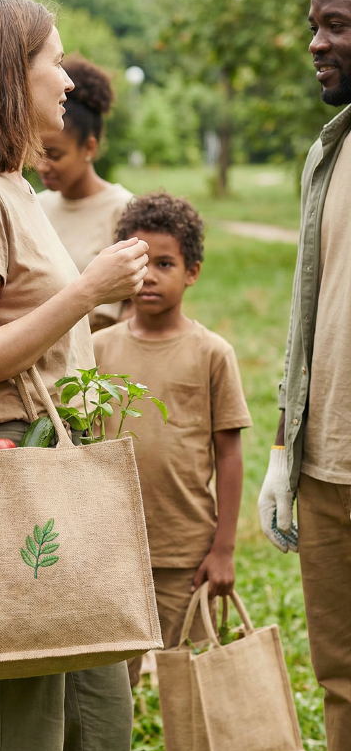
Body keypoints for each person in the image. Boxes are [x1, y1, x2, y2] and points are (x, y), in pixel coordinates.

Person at [0, 0, 150, 751]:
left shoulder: (10, 184)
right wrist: (85, 290)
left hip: (55, 458)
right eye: (52, 60)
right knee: (20, 716)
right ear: (4, 75)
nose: (66, 81)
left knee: (97, 698)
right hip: (8, 462)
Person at [91, 194, 252, 688]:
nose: (151, 276)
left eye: (166, 263)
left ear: (192, 272)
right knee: (110, 684)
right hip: (111, 548)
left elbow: (229, 453)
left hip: (185, 551)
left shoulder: (211, 354)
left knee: (191, 682)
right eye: (142, 263)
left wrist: (222, 549)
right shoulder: (97, 348)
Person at [257, 0, 351, 751]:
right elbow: (305, 308)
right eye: (315, 26)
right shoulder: (330, 149)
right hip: (329, 466)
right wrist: (285, 447)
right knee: (343, 679)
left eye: (337, 26)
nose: (317, 44)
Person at [37, 56, 134, 332]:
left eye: (54, 155)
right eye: (38, 152)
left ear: (89, 148)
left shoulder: (124, 210)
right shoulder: (34, 206)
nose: (41, 166)